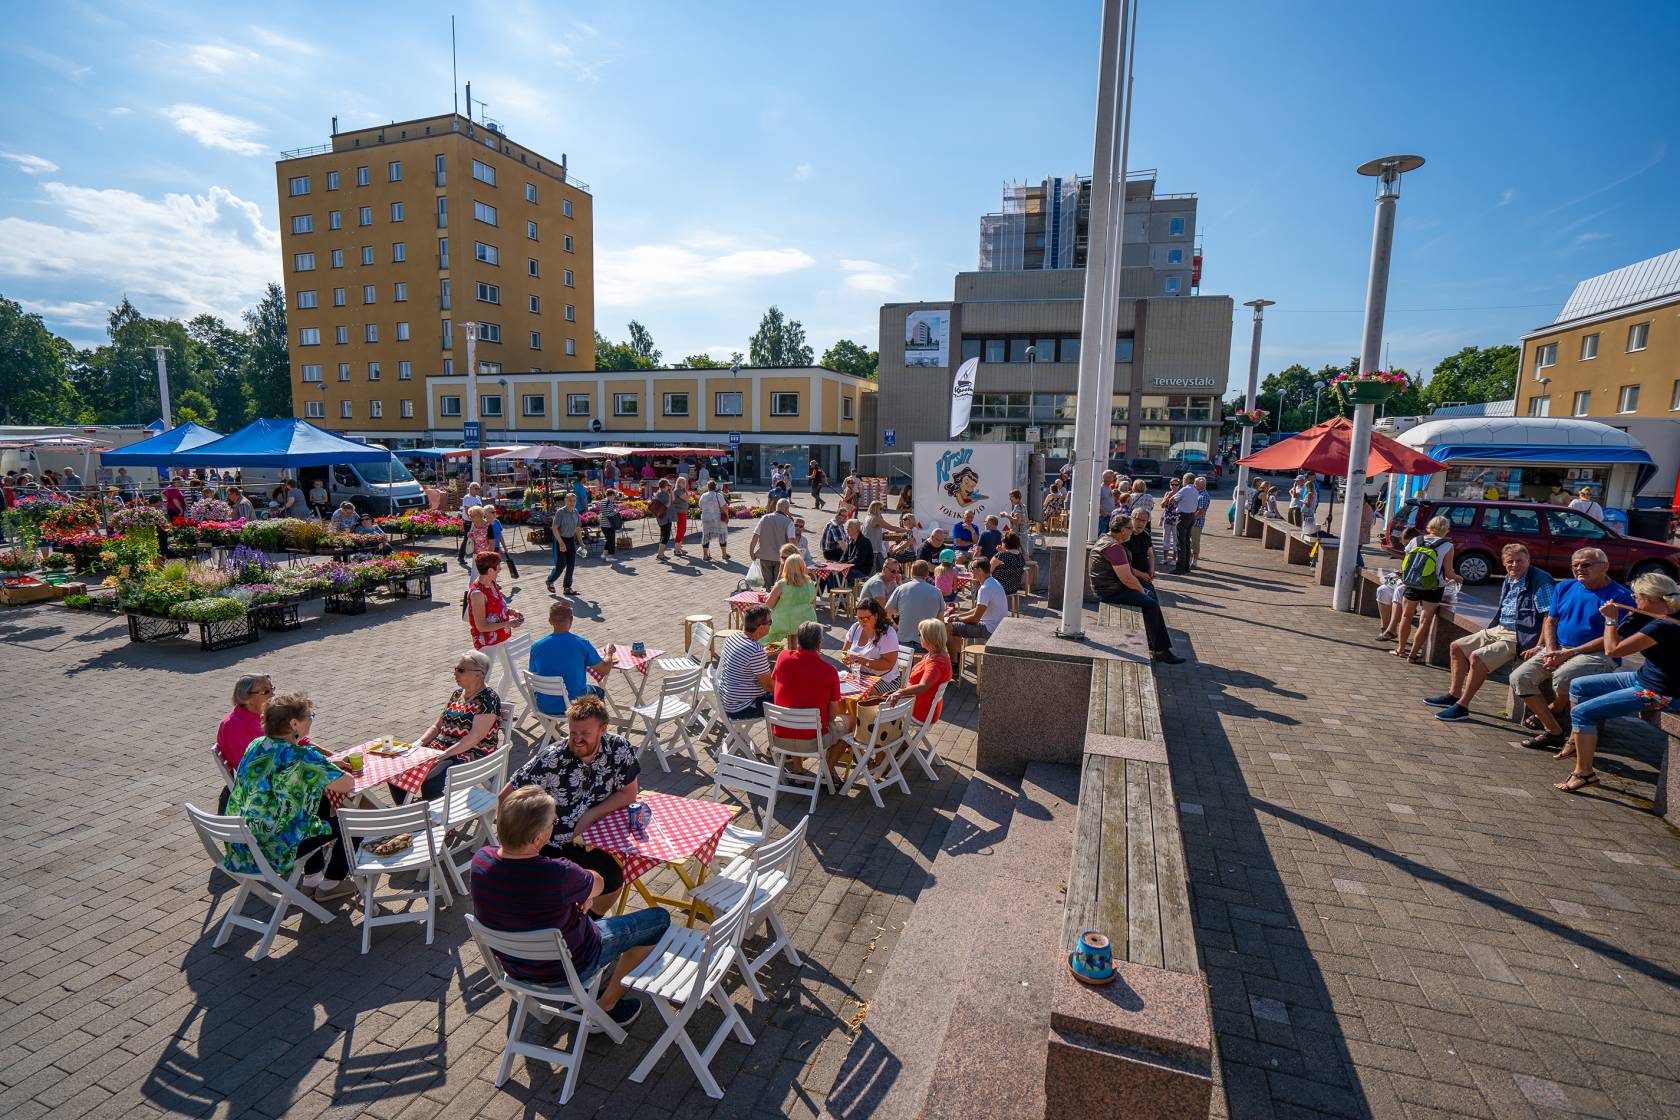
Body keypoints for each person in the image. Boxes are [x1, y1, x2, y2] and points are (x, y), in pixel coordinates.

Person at [472, 785, 667, 1025]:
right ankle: (606, 1005)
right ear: (537, 837)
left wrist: (577, 893)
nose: (555, 824)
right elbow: (599, 881)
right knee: (659, 919)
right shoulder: (557, 873)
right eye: (552, 822)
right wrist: (583, 891)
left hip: (515, 967)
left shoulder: (480, 861)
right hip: (572, 966)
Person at [502, 694, 643, 916]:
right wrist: (522, 841)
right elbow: (506, 797)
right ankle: (572, 928)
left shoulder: (618, 749)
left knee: (615, 877)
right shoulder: (552, 759)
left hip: (591, 838)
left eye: (585, 733)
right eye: (572, 732)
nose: (577, 739)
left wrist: (589, 816)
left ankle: (588, 924)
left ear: (603, 729)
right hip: (551, 843)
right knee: (560, 892)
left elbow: (629, 792)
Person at [223, 691, 358, 901]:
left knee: (319, 803)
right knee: (352, 823)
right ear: (294, 724)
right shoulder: (302, 757)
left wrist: (322, 768)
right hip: (276, 847)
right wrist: (325, 767)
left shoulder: (257, 745)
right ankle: (332, 883)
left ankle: (312, 878)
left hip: (245, 843)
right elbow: (347, 784)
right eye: (310, 717)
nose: (311, 721)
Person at [1555, 572, 1680, 792]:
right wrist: (1632, 616)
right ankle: (1577, 740)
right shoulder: (1665, 613)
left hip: (1660, 692)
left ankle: (1584, 774)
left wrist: (1610, 619)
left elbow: (1612, 649)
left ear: (1649, 597)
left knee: (1582, 713)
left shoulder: (1663, 626)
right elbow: (1627, 630)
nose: (1633, 600)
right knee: (1579, 685)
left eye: (1636, 596)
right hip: (1645, 677)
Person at [1508, 549, 1634, 750]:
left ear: (1605, 566)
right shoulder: (1565, 586)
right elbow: (1550, 620)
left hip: (1598, 654)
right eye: (1574, 565)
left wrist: (1568, 654)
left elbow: (1614, 637)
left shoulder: (1622, 596)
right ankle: (1554, 732)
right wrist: (1551, 650)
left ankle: (1556, 708)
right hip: (1559, 648)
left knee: (1564, 676)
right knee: (1519, 678)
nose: (1578, 569)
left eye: (1585, 565)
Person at [1425, 543, 1555, 721]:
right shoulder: (1510, 577)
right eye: (1510, 561)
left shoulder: (1540, 581)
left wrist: (1540, 645)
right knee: (1457, 646)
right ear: (1504, 562)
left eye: (1520, 561)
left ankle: (1462, 706)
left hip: (1522, 634)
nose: (1515, 565)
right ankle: (1453, 695)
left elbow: (1550, 616)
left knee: (1477, 658)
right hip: (1500, 627)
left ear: (1528, 561)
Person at [396, 650, 504, 802]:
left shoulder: (488, 699)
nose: (455, 673)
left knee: (431, 782)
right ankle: (410, 812)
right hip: (442, 748)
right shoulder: (457, 694)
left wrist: (444, 754)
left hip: (471, 752)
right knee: (398, 769)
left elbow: (474, 738)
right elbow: (437, 726)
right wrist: (418, 744)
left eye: (460, 670)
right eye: (455, 669)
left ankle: (439, 821)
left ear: (478, 674)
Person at [1089, 515, 1184, 663]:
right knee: (1151, 604)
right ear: (1122, 530)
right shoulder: (1114, 548)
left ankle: (1155, 643)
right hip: (1110, 591)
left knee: (1150, 593)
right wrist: (1141, 590)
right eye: (1130, 529)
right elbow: (1127, 578)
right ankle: (1160, 650)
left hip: (1107, 587)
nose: (1132, 532)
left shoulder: (1106, 539)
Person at [771, 621, 853, 775]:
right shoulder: (829, 671)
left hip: (780, 737)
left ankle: (798, 771)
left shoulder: (783, 658)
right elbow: (833, 714)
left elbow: (777, 684)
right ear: (820, 644)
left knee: (794, 713)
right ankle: (826, 773)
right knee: (851, 721)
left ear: (798, 640)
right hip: (812, 742)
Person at [529, 600, 616, 711]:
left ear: (550, 621)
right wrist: (609, 653)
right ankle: (596, 727)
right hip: (574, 704)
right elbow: (604, 670)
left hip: (544, 704)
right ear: (571, 620)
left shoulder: (536, 647)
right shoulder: (581, 644)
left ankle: (553, 727)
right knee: (598, 691)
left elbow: (534, 674)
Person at [214, 674, 280, 812]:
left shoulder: (263, 714)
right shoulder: (234, 725)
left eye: (272, 689)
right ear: (246, 698)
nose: (273, 694)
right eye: (266, 691)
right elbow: (253, 768)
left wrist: (331, 755)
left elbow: (300, 740)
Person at [1394, 516, 1456, 663]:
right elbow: (1448, 573)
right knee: (1425, 621)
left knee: (1406, 617)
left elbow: (1407, 563)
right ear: (1445, 530)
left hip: (1413, 583)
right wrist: (1458, 578)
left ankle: (1401, 650)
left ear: (1430, 526)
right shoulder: (1447, 546)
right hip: (1434, 586)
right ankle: (1413, 655)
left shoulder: (1416, 540)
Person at [886, 618, 953, 725]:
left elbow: (923, 687)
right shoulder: (935, 654)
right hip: (917, 704)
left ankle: (892, 739)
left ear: (929, 638)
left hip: (920, 712)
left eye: (920, 634)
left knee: (878, 714)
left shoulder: (937, 662)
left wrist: (900, 692)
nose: (919, 637)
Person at [944, 557, 1008, 665]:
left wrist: (956, 618)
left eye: (972, 568)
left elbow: (975, 619)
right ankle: (957, 659)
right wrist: (959, 615)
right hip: (998, 625)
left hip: (989, 628)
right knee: (955, 627)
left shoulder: (985, 588)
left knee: (947, 627)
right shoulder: (993, 582)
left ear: (980, 570)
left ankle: (954, 664)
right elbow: (978, 609)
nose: (970, 571)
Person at [718, 606, 775, 719]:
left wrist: (763, 655)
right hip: (742, 707)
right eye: (770, 622)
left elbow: (745, 659)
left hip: (726, 700)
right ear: (761, 627)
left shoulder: (733, 637)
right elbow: (769, 687)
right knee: (790, 697)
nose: (771, 625)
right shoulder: (755, 651)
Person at [465, 551, 522, 650]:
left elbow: (496, 606)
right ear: (490, 570)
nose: (499, 571)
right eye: (498, 570)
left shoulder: (491, 583)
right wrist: (508, 623)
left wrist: (511, 611)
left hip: (501, 638)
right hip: (487, 644)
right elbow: (482, 627)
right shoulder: (478, 594)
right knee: (486, 666)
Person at [840, 598, 901, 688]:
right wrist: (844, 658)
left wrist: (861, 661)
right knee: (834, 689)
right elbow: (843, 652)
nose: (861, 622)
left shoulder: (887, 633)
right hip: (859, 676)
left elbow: (888, 664)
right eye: (858, 618)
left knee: (861, 695)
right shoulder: (855, 627)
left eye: (865, 619)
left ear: (875, 616)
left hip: (885, 679)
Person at [888, 560, 946, 650]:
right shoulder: (937, 592)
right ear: (927, 574)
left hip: (903, 641)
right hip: (927, 642)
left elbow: (887, 611)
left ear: (911, 573)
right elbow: (940, 620)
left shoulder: (901, 589)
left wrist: (895, 626)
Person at [765, 553, 819, 645]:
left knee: (764, 632)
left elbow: (769, 604)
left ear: (786, 567)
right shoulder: (809, 582)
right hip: (807, 620)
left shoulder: (782, 584)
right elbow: (812, 601)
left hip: (785, 621)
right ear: (803, 567)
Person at [750, 498, 794, 590]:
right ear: (786, 509)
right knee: (779, 585)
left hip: (764, 556)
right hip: (781, 559)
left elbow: (755, 536)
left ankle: (767, 601)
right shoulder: (789, 522)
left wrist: (751, 552)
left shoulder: (764, 518)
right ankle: (776, 602)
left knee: (766, 585)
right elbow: (791, 542)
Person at [546, 492, 582, 596]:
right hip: (560, 540)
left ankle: (567, 587)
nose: (572, 502)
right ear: (565, 501)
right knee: (561, 565)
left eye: (574, 500)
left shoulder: (576, 512)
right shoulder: (560, 512)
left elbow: (578, 528)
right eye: (570, 500)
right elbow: (554, 528)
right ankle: (550, 580)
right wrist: (561, 543)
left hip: (570, 540)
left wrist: (581, 542)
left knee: (571, 565)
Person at [1169, 474, 1199, 574]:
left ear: (1185, 480)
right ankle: (1186, 566)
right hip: (1191, 516)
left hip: (1183, 516)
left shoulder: (1185, 489)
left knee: (1181, 543)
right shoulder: (1195, 490)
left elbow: (1172, 499)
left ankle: (1180, 568)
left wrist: (1178, 504)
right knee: (1186, 542)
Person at [698, 480, 730, 562]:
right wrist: (726, 516)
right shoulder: (718, 495)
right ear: (715, 487)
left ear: (708, 487)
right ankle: (724, 554)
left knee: (706, 536)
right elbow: (724, 507)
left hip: (705, 518)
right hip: (716, 518)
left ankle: (705, 556)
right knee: (722, 535)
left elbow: (700, 506)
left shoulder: (703, 496)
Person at [456, 482, 485, 564]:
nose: (477, 490)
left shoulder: (478, 497)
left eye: (478, 489)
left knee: (478, 539)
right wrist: (473, 520)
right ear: (470, 489)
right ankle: (461, 557)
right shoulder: (467, 497)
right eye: (476, 488)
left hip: (477, 522)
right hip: (469, 522)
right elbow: (467, 510)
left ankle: (478, 556)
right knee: (467, 539)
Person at [1125, 507, 1156, 585]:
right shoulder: (1125, 534)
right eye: (1138, 519)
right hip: (1129, 576)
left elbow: (1150, 554)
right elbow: (1122, 564)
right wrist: (1141, 574)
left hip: (1144, 575)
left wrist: (1151, 570)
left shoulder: (1146, 534)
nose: (1141, 523)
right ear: (1131, 519)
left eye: (1144, 521)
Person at [840, 517, 877, 583]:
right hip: (852, 567)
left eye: (849, 527)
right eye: (847, 527)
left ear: (857, 529)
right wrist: (840, 563)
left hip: (861, 570)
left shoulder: (863, 541)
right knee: (831, 573)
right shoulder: (852, 540)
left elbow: (858, 560)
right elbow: (845, 555)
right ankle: (821, 592)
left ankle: (840, 592)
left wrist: (845, 565)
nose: (847, 529)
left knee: (838, 574)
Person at [1191, 477, 1211, 563]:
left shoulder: (1203, 496)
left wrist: (1191, 519)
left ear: (1201, 485)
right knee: (1191, 542)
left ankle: (1194, 561)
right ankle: (1191, 560)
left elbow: (1202, 511)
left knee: (1195, 542)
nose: (1194, 485)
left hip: (1196, 523)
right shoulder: (1199, 494)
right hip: (1194, 522)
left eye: (1195, 484)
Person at [671, 477, 691, 558]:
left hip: (683, 511)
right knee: (681, 529)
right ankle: (676, 549)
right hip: (679, 512)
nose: (684, 484)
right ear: (678, 483)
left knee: (683, 529)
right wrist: (688, 494)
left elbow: (687, 498)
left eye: (684, 482)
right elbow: (686, 498)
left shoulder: (682, 490)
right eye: (682, 482)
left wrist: (687, 493)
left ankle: (679, 547)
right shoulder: (677, 490)